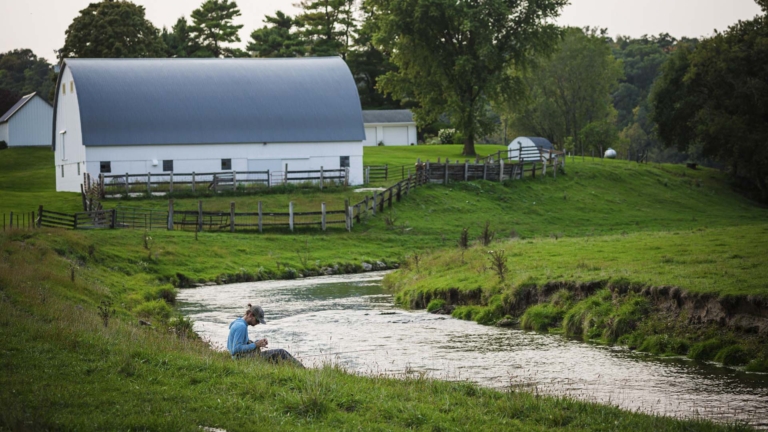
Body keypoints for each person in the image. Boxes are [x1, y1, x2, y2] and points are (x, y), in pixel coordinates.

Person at [227, 303, 303, 367]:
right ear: (250, 315)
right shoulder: (241, 326)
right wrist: (255, 345)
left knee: (279, 353)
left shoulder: (239, 322)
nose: (258, 323)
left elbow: (240, 345)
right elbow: (235, 349)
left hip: (240, 358)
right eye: (257, 320)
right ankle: (302, 370)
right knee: (281, 352)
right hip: (241, 360)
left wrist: (258, 343)